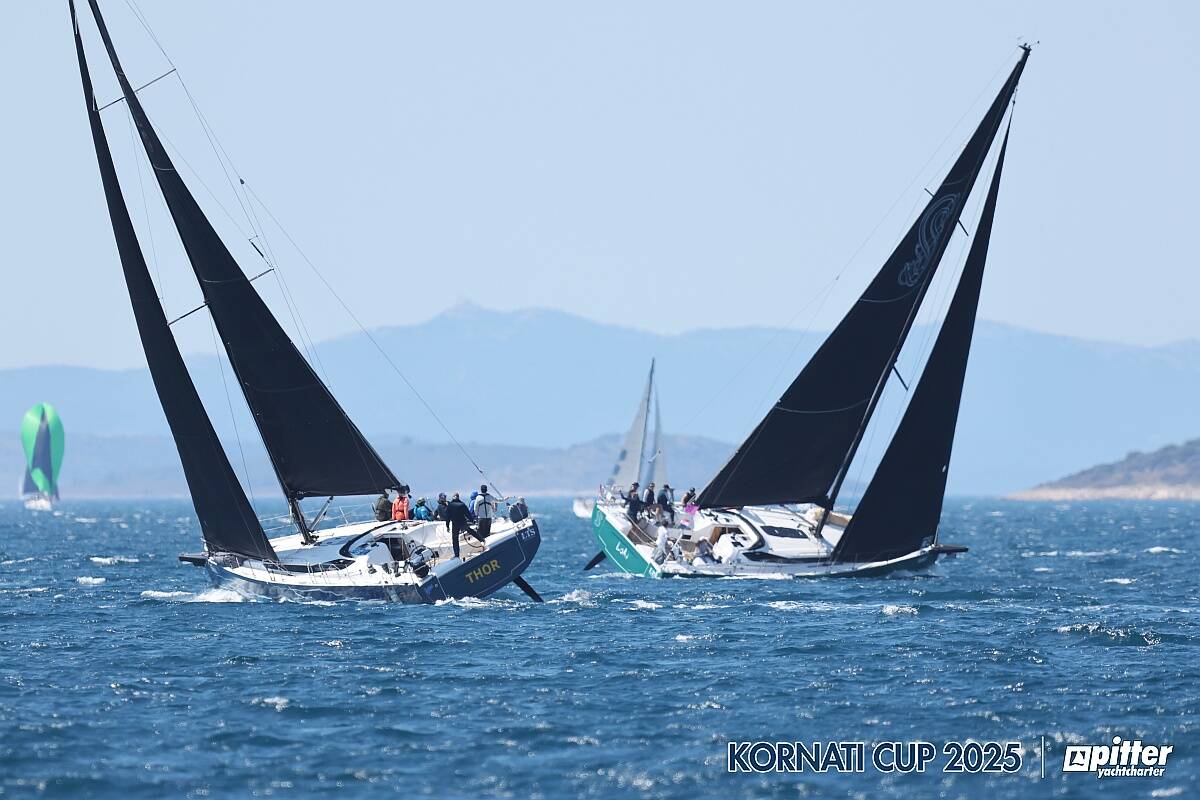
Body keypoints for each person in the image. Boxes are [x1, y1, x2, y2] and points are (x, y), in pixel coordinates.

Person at [445, 492, 473, 559]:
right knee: (470, 531)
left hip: (455, 524)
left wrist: (447, 525)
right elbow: (468, 514)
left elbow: (448, 517)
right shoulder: (462, 504)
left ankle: (456, 554)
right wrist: (472, 520)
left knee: (455, 540)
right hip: (462, 523)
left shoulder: (450, 505)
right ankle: (481, 540)